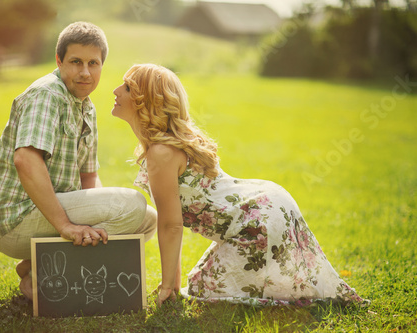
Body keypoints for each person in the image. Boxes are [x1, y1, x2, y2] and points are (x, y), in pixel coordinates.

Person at [112, 63, 366, 307]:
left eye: (126, 87)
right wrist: (173, 283)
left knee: (205, 290)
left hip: (255, 220)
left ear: (145, 100)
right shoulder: (172, 144)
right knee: (201, 281)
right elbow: (171, 223)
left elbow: (171, 225)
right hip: (268, 203)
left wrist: (168, 286)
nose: (115, 91)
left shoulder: (161, 153)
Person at [0, 23, 156, 300]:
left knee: (147, 220)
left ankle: (38, 266)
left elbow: (89, 177)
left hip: (49, 213)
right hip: (17, 218)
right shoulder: (47, 95)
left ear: (102, 66)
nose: (85, 72)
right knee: (133, 205)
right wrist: (66, 226)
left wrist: (103, 215)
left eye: (93, 63)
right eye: (76, 62)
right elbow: (25, 160)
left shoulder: (86, 107)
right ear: (59, 61)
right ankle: (42, 277)